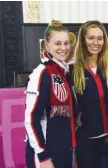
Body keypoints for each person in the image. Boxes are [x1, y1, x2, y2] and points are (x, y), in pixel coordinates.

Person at [24, 20, 76, 168]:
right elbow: (31, 119)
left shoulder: (63, 72)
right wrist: (42, 156)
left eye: (66, 43)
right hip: (45, 155)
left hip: (64, 151)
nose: (63, 48)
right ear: (47, 45)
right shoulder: (41, 74)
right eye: (57, 43)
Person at [72, 20, 108, 168]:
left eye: (99, 38)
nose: (95, 43)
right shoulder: (72, 71)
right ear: (83, 40)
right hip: (86, 142)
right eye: (91, 38)